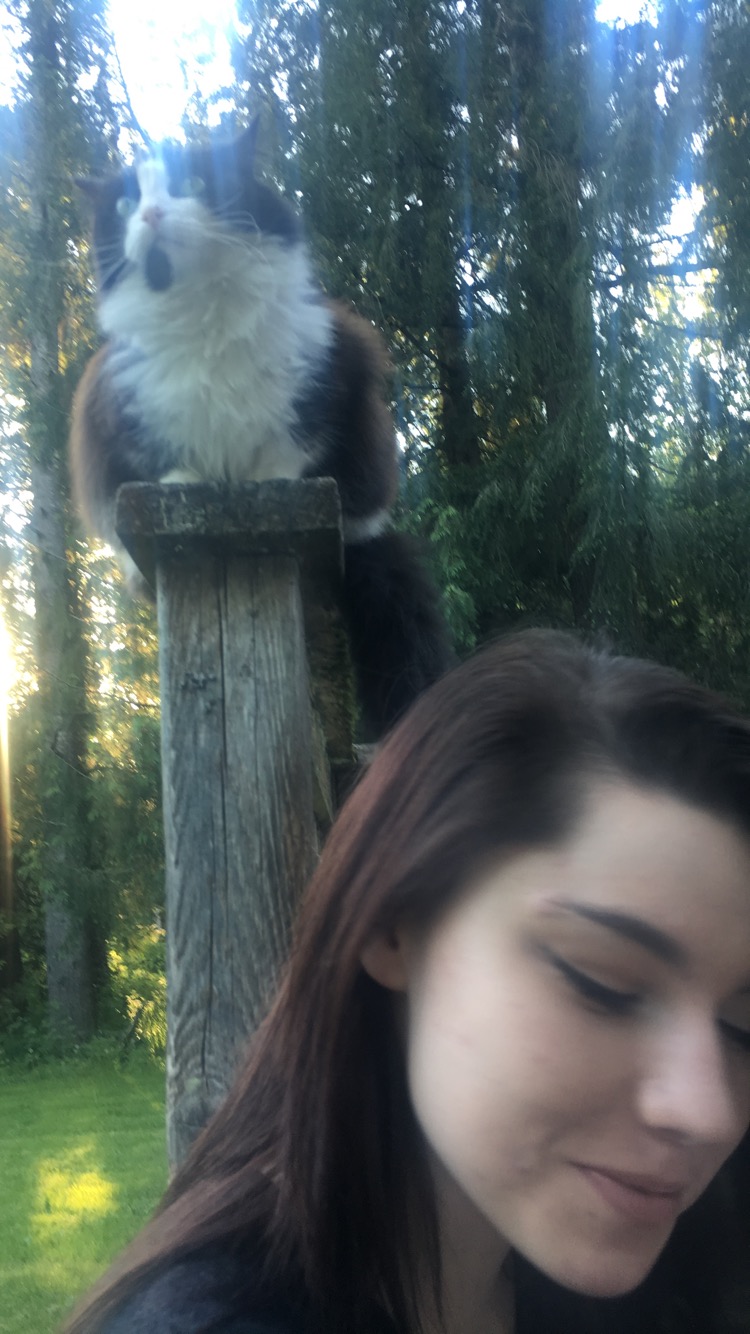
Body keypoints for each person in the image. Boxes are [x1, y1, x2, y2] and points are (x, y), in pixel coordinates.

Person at [64, 629, 750, 1334]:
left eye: (742, 1028)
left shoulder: (656, 1285)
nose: (709, 1113)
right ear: (392, 924)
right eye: (604, 983)